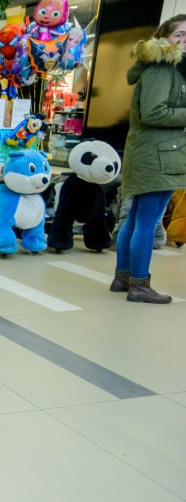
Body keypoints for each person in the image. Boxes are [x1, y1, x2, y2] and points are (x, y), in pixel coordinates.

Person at [109, 14, 186, 303]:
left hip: (154, 151)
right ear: (164, 37)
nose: (184, 39)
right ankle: (139, 284)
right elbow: (153, 113)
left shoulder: (169, 67)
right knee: (147, 221)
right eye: (179, 34)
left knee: (139, 218)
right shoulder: (163, 68)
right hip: (159, 154)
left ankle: (124, 277)